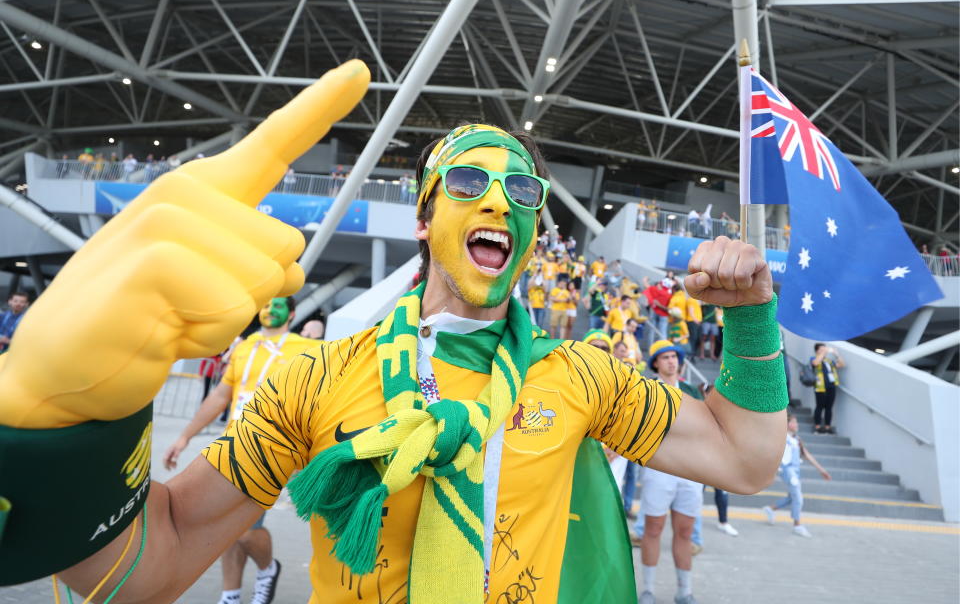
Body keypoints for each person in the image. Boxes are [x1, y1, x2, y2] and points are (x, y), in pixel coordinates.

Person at [0, 64, 788, 604]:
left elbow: (744, 459)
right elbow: (155, 562)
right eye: (470, 181)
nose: (499, 203)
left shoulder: (579, 374)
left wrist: (752, 317)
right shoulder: (316, 375)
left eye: (521, 189)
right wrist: (65, 433)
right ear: (423, 216)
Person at [163, 296, 315, 604]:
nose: (270, 310)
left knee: (243, 530)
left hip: (272, 452)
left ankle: (268, 568)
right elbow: (221, 396)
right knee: (223, 528)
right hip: (231, 447)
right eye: (267, 305)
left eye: (278, 306)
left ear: (293, 313)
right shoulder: (245, 348)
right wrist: (184, 437)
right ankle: (230, 594)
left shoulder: (306, 348)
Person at [634, 340, 706, 604]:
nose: (671, 361)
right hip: (659, 467)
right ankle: (648, 590)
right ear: (655, 363)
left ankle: (684, 591)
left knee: (685, 532)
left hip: (689, 471)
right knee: (653, 529)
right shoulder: (645, 389)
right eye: (664, 358)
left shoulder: (691, 390)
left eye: (674, 356)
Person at [763, 413, 832, 538]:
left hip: (796, 471)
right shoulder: (782, 437)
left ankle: (771, 509)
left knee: (792, 497)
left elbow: (807, 456)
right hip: (787, 470)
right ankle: (797, 525)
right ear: (787, 424)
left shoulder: (797, 440)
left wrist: (822, 470)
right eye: (794, 422)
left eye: (797, 422)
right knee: (798, 498)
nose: (796, 425)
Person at [810, 342, 844, 434]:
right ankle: (817, 426)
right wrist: (822, 353)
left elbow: (841, 364)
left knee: (829, 407)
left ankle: (827, 427)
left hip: (831, 386)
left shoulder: (828, 361)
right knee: (819, 406)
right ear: (817, 350)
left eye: (825, 349)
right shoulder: (814, 358)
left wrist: (836, 354)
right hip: (820, 386)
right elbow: (816, 363)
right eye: (822, 349)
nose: (825, 350)